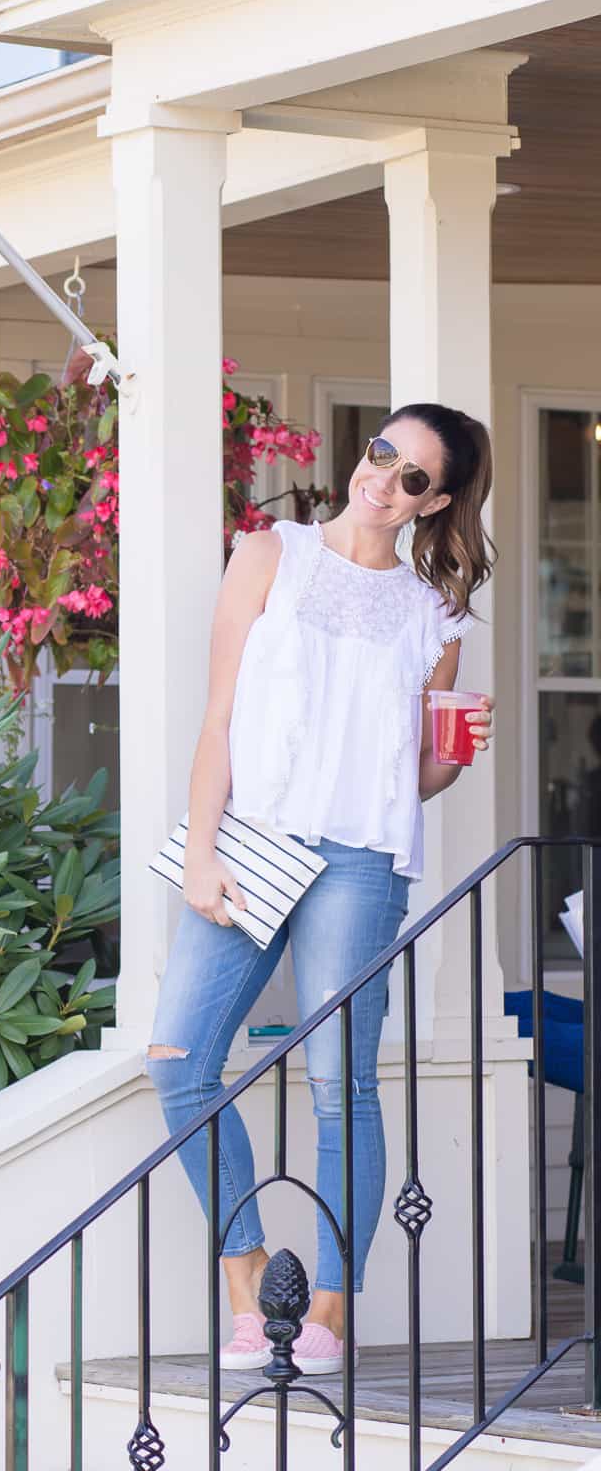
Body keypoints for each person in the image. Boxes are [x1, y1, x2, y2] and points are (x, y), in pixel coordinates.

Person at [146, 405, 495, 1376]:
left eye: (414, 477)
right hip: (249, 842)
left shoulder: (436, 614)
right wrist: (201, 850)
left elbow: (417, 775)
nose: (383, 480)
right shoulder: (268, 554)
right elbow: (216, 718)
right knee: (177, 1059)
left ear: (440, 501)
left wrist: (456, 752)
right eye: (381, 453)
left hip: (359, 861)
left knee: (339, 1084)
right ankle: (248, 1273)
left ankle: (330, 1310)